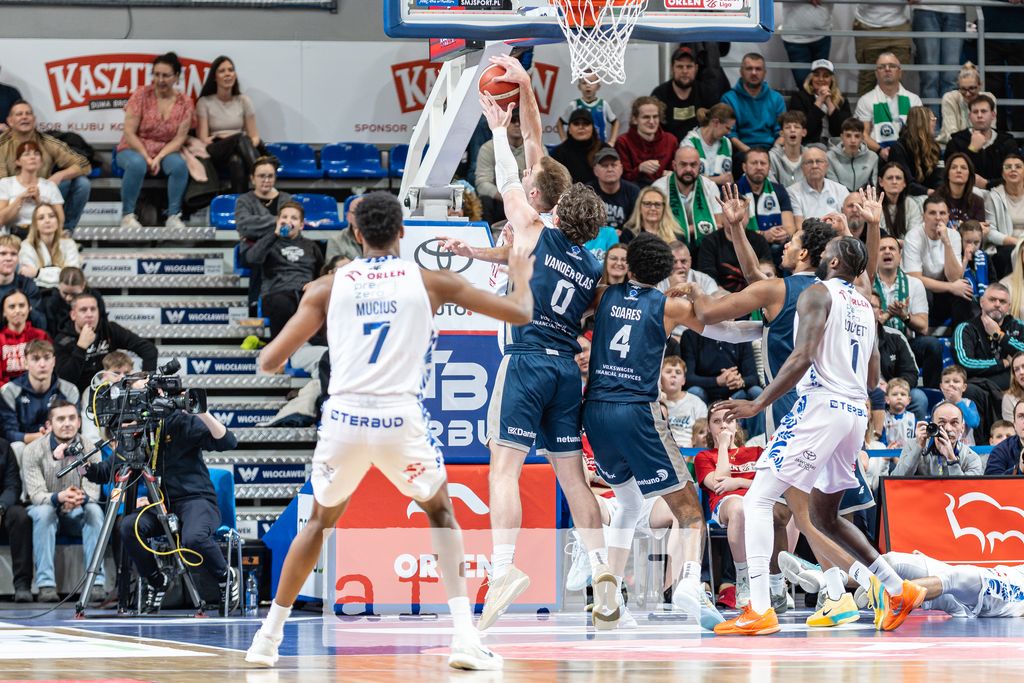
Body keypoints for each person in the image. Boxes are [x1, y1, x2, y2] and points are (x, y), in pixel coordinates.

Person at [243, 192, 541, 671]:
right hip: (399, 419)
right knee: (440, 513)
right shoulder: (432, 281)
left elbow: (269, 362)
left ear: (357, 234)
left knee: (318, 522)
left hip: (343, 418)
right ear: (402, 231)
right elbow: (520, 313)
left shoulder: (327, 287)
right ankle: (465, 638)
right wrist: (521, 276)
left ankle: (266, 639)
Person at [441, 55, 614, 634]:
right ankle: (603, 572)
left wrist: (497, 125)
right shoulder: (589, 265)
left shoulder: (536, 229)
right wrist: (478, 252)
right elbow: (536, 160)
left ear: (558, 211)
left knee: (503, 470)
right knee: (573, 478)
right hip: (566, 369)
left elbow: (514, 178)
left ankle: (503, 569)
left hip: (526, 361)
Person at [714, 236, 927, 635]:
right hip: (854, 413)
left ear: (831, 261)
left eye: (828, 250)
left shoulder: (817, 292)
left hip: (822, 405)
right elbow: (872, 377)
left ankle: (759, 608)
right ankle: (899, 590)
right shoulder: (864, 306)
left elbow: (803, 355)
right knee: (824, 516)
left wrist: (758, 403)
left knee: (758, 498)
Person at [583, 233, 764, 629]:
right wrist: (770, 325)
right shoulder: (670, 305)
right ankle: (688, 584)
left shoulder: (603, 296)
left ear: (629, 264)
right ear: (666, 272)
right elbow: (728, 331)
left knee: (629, 503)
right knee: (690, 513)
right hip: (637, 411)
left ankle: (609, 598)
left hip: (595, 412)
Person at [83, 405, 240, 614]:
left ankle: (225, 576)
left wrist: (201, 412)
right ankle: (157, 581)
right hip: (161, 504)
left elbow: (228, 442)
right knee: (129, 526)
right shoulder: (137, 433)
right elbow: (105, 472)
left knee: (193, 537)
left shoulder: (180, 421)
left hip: (196, 499)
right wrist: (79, 463)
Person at [694, 402, 791, 609]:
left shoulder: (756, 451)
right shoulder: (704, 457)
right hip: (726, 505)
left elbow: (772, 482)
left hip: (758, 499)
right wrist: (722, 446)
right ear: (709, 427)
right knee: (739, 508)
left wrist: (738, 481)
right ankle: (743, 580)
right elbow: (719, 483)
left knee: (787, 509)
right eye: (717, 422)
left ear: (736, 425)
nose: (723, 425)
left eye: (728, 420)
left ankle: (778, 583)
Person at [21, 400, 104, 603]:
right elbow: (36, 494)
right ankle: (46, 585)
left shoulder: (89, 448)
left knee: (94, 510)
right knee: (44, 513)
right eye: (60, 419)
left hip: (78, 508)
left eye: (72, 418)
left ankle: (96, 582)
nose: (67, 423)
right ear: (49, 425)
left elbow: (93, 490)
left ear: (79, 422)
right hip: (45, 508)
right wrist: (59, 497)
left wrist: (80, 497)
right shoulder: (33, 450)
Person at [117, 52, 194, 230]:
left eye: (165, 75)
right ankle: (127, 216)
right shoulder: (141, 95)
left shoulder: (185, 102)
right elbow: (129, 133)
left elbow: (179, 139)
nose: (160, 80)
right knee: (137, 164)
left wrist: (158, 157)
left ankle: (174, 216)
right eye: (156, 74)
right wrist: (146, 157)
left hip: (165, 149)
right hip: (133, 147)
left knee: (179, 166)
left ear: (176, 76)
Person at [0, 101, 91, 232]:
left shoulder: (47, 142)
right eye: (19, 114)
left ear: (34, 119)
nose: (24, 117)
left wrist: (59, 176)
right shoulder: (2, 145)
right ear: (10, 121)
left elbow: (84, 164)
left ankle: (65, 232)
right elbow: (2, 184)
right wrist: (22, 194)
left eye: (28, 114)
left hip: (43, 191)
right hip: (9, 195)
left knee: (82, 183)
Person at [245, 201, 324, 340]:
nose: (288, 221)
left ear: (301, 225)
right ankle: (285, 348)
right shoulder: (269, 242)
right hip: (276, 294)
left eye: (294, 218)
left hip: (304, 294)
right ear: (278, 221)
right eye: (284, 217)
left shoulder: (311, 246)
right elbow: (251, 259)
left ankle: (317, 344)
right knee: (283, 304)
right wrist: (275, 234)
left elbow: (320, 273)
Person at [952, 283, 1024, 432]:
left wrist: (1000, 336)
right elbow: (965, 363)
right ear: (981, 302)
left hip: (1014, 381)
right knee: (970, 390)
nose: (997, 304)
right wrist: (1001, 363)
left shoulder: (1018, 326)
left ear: (1009, 306)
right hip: (981, 385)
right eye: (992, 299)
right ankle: (983, 442)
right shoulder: (966, 328)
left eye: (1002, 301)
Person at [874, 234, 942, 387]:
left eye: (892, 248)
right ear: (875, 256)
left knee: (932, 345)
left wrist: (904, 316)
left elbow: (924, 327)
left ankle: (932, 392)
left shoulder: (914, 284)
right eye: (882, 249)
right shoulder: (867, 284)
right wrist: (887, 315)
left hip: (906, 344)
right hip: (876, 343)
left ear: (900, 257)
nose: (887, 251)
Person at [54, 292, 158, 393]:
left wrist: (146, 382)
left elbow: (149, 349)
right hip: (76, 395)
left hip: (109, 392)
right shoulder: (62, 340)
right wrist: (81, 347)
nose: (89, 314)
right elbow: (65, 379)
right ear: (73, 315)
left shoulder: (109, 329)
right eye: (83, 310)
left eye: (93, 309)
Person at [196, 55, 266, 194]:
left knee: (236, 160)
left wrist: (243, 145)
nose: (228, 74)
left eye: (231, 70)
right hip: (216, 149)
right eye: (222, 71)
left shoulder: (244, 101)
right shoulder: (204, 102)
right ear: (214, 77)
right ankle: (262, 177)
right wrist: (232, 139)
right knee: (240, 138)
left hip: (240, 147)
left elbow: (255, 137)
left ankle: (240, 203)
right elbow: (203, 139)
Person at [0, 338, 78, 458]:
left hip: (60, 442)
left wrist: (54, 435)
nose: (42, 364)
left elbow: (75, 425)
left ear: (53, 361)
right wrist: (40, 437)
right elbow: (8, 433)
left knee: (79, 442)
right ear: (26, 363)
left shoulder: (69, 390)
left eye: (47, 358)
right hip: (26, 446)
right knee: (16, 446)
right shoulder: (9, 391)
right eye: (35, 359)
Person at [902, 195, 968, 326]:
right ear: (923, 216)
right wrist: (951, 287)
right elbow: (914, 278)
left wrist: (946, 242)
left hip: (943, 288)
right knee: (924, 291)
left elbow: (955, 277)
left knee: (964, 292)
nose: (938, 218)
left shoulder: (954, 235)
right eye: (932, 213)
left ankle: (960, 334)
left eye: (942, 213)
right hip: (922, 288)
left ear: (948, 216)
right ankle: (923, 332)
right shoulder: (913, 236)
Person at [652, 146, 723, 256]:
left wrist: (687, 230)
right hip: (668, 245)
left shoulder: (710, 187)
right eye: (683, 164)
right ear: (674, 165)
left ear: (699, 166)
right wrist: (693, 229)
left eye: (693, 165)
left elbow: (718, 225)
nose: (689, 169)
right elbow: (655, 227)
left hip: (703, 247)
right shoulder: (659, 188)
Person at [854, 53, 923, 157]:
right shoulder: (865, 100)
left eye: (892, 66)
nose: (887, 69)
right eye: (882, 67)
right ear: (876, 73)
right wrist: (880, 151)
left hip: (909, 155)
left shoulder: (914, 100)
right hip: (876, 155)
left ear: (900, 72)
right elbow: (863, 134)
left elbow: (920, 132)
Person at [945, 95, 1020, 190]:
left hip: (1001, 192)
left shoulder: (1007, 142)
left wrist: (988, 184)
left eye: (984, 111)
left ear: (993, 115)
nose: (979, 115)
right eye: (975, 112)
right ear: (969, 116)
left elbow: (1016, 174)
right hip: (965, 192)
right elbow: (951, 174)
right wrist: (972, 149)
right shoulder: (956, 142)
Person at [892, 401, 984, 476]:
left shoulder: (971, 458)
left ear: (962, 428)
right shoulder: (913, 446)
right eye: (942, 422)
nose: (948, 428)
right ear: (932, 426)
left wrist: (951, 459)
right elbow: (896, 481)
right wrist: (918, 448)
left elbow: (969, 490)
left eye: (954, 423)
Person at [721, 54, 786, 157]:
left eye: (758, 69)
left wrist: (770, 155)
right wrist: (751, 154)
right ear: (741, 72)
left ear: (765, 73)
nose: (754, 73)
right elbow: (730, 134)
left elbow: (782, 133)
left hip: (772, 152)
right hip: (741, 152)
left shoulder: (777, 99)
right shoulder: (729, 99)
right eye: (749, 68)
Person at [650, 46, 720, 141]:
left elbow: (716, 126)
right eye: (680, 66)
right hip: (669, 148)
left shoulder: (707, 93)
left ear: (696, 68)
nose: (685, 71)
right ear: (672, 68)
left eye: (689, 66)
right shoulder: (659, 95)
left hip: (699, 147)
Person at [912, 3, 966, 117]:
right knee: (930, 77)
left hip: (956, 9)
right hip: (925, 7)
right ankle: (931, 125)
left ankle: (950, 125)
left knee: (951, 78)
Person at [0, 140, 64, 234]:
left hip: (41, 234)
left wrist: (38, 201)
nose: (32, 157)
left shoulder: (50, 186)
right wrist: (20, 199)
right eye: (27, 154)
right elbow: (1, 220)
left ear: (41, 161)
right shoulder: (6, 183)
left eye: (36, 154)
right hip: (13, 235)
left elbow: (60, 221)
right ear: (18, 161)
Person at [737, 148, 794, 251]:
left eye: (763, 163)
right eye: (754, 163)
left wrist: (783, 234)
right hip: (743, 248)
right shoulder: (734, 191)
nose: (759, 167)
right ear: (744, 167)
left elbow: (790, 228)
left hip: (775, 249)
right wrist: (763, 235)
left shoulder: (779, 190)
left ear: (769, 167)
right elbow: (731, 230)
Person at [476, 108, 527, 223]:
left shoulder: (534, 147)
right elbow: (482, 184)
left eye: (520, 120)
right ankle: (489, 233)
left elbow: (542, 180)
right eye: (513, 120)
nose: (517, 124)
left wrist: (522, 198)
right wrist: (509, 197)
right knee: (485, 200)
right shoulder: (488, 148)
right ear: (505, 122)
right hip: (500, 200)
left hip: (527, 200)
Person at [695, 217, 771, 293]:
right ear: (722, 217)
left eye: (740, 216)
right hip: (721, 295)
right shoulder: (709, 242)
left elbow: (768, 269)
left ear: (748, 217)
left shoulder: (759, 240)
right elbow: (708, 277)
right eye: (730, 214)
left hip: (756, 292)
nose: (735, 218)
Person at [614, 96, 678, 185]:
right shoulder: (623, 142)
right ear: (635, 119)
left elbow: (678, 169)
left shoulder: (670, 140)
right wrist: (639, 169)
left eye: (655, 116)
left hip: (666, 188)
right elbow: (621, 179)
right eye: (646, 117)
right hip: (636, 190)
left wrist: (673, 175)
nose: (651, 122)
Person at [788, 59, 853, 144]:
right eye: (816, 75)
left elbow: (845, 131)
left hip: (836, 144)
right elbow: (802, 130)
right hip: (809, 144)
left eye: (826, 76)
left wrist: (829, 103)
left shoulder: (842, 100)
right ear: (811, 78)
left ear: (831, 79)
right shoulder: (799, 98)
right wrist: (819, 101)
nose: (821, 79)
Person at [852, 7, 913, 97]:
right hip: (869, 26)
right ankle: (865, 106)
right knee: (868, 78)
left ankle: (897, 106)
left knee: (898, 76)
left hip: (898, 26)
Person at [0, 431, 30, 602]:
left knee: (20, 516)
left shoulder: (4, 447)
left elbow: (13, 486)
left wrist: (1, 507)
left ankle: (22, 584)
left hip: (2, 508)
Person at [19, 203, 79, 288]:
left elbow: (71, 276)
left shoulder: (69, 244)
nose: (47, 221)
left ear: (57, 221)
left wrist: (38, 273)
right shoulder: (26, 246)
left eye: (51, 216)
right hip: (37, 292)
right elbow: (30, 277)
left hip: (64, 292)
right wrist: (59, 273)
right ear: (35, 225)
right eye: (41, 218)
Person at [788, 145, 850, 225]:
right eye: (809, 162)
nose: (814, 166)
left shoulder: (841, 190)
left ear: (827, 166)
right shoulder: (792, 192)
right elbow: (799, 226)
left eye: (818, 161)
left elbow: (848, 221)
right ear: (802, 168)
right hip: (808, 233)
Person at [888, 106, 943, 193]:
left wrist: (939, 191)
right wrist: (927, 191)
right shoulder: (898, 148)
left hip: (931, 195)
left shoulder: (934, 147)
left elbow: (938, 177)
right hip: (906, 196)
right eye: (932, 119)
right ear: (921, 123)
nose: (935, 122)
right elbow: (905, 181)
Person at [0, 289, 49, 384]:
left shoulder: (41, 336)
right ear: (4, 312)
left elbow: (48, 368)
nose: (17, 310)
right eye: (12, 307)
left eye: (22, 305)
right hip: (5, 391)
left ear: (29, 308)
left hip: (37, 388)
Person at [585, 147, 639, 234]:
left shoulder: (633, 191)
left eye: (614, 165)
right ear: (595, 170)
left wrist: (624, 233)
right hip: (596, 238)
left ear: (621, 168)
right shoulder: (587, 191)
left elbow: (636, 222)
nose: (610, 169)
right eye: (604, 166)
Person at [40, 266, 105, 338]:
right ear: (59, 285)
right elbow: (50, 332)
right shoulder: (51, 303)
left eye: (74, 294)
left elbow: (102, 324)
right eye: (65, 293)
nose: (68, 298)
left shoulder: (95, 297)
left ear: (83, 286)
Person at [679, 104, 735, 186]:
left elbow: (728, 178)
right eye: (727, 128)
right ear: (715, 123)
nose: (729, 133)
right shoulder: (689, 143)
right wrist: (717, 180)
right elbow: (686, 178)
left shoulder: (726, 142)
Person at [939, 64, 993, 145]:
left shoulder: (989, 98)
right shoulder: (949, 98)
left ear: (980, 86)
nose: (967, 94)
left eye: (971, 88)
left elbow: (990, 131)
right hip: (955, 146)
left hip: (983, 144)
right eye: (963, 89)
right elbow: (951, 134)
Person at [662, 355, 707, 448]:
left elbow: (704, 432)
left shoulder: (696, 403)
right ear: (660, 378)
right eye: (668, 372)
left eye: (678, 372)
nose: (673, 375)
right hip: (663, 449)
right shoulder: (654, 403)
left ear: (683, 380)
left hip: (690, 450)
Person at [557, 76, 618, 144]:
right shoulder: (574, 104)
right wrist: (564, 140)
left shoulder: (603, 104)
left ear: (598, 86)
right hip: (578, 146)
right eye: (584, 83)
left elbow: (615, 122)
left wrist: (612, 141)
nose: (588, 85)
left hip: (599, 145)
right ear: (579, 87)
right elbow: (560, 122)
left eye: (591, 82)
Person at [827, 119, 879, 193]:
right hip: (839, 198)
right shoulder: (830, 157)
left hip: (863, 198)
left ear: (862, 138)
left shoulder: (872, 157)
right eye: (848, 136)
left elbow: (873, 186)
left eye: (857, 136)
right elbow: (833, 187)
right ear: (842, 137)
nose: (853, 140)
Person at [550, 108, 601, 184]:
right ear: (569, 129)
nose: (581, 127)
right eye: (576, 124)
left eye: (586, 123)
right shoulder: (558, 153)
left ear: (593, 128)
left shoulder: (603, 149)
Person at [936, 153, 986, 226]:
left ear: (969, 175)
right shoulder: (935, 198)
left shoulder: (977, 202)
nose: (959, 170)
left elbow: (979, 229)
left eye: (963, 168)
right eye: (954, 167)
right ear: (948, 174)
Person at [876, 162, 922, 239]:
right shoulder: (875, 204)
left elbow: (914, 235)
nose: (894, 182)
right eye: (890, 178)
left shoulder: (910, 204)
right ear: (881, 182)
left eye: (898, 178)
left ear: (904, 183)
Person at [940, 364, 981, 445]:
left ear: (964, 387)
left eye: (956, 381)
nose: (951, 384)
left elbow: (974, 423)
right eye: (947, 381)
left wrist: (958, 401)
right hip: (944, 447)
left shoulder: (969, 403)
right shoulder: (938, 407)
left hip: (967, 447)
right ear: (941, 387)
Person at [769, 111, 807, 188]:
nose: (792, 130)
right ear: (782, 133)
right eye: (788, 127)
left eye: (796, 127)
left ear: (804, 132)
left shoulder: (809, 156)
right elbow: (771, 186)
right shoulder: (772, 157)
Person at [986, 398, 1024, 475]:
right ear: (1014, 424)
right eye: (1021, 416)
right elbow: (991, 480)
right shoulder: (1001, 450)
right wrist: (1018, 469)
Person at [993, 154, 1024, 242]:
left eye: (1018, 167)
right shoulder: (993, 196)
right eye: (1008, 167)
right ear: (1003, 174)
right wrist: (1018, 243)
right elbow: (990, 231)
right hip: (1005, 245)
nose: (1013, 169)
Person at [1002, 353, 1024, 422]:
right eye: (1016, 370)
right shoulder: (1009, 398)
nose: (1021, 372)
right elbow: (1011, 427)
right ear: (1015, 377)